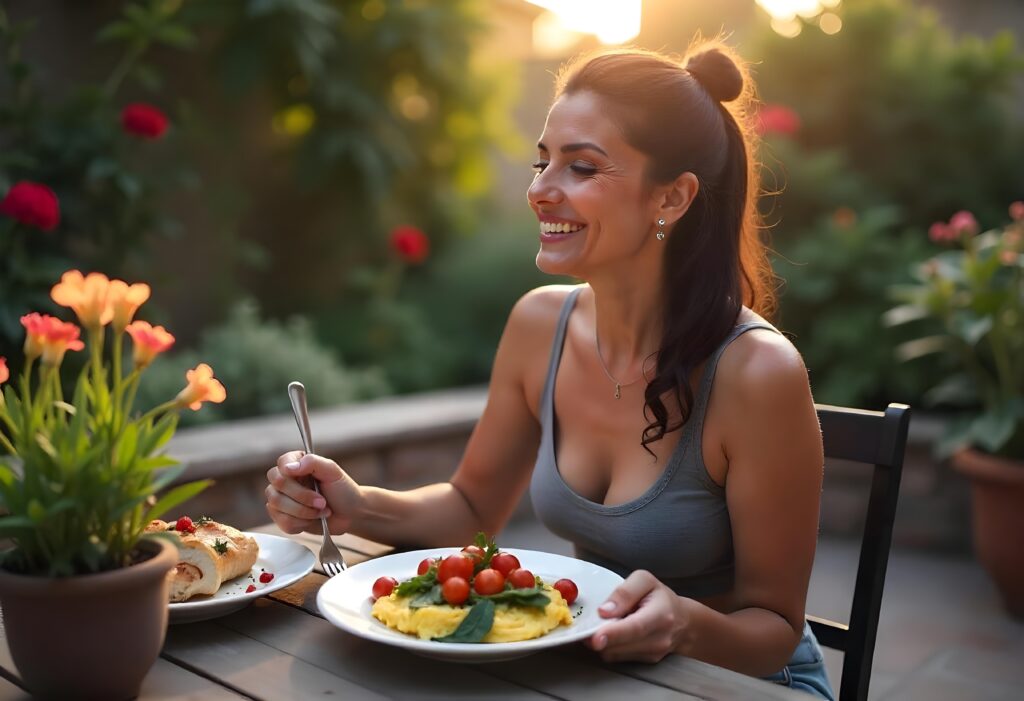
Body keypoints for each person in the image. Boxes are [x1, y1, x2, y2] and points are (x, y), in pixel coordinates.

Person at [265, 40, 834, 700]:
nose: (539, 190)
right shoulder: (541, 326)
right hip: (605, 674)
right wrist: (356, 502)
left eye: (581, 167)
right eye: (542, 162)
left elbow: (776, 628)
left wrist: (684, 624)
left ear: (672, 198)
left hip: (746, 683)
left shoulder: (757, 373)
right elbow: (473, 506)